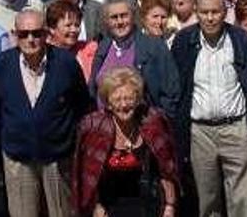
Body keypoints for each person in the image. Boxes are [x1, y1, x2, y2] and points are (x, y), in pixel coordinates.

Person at [169, 0, 247, 217]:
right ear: (196, 12)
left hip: (236, 129)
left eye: (215, 12)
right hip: (200, 133)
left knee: (243, 201)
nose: (210, 18)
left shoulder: (241, 41)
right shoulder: (183, 41)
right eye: (204, 12)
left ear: (225, 12)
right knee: (206, 200)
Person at [0, 9, 91, 217]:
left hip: (58, 156)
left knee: (62, 213)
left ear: (46, 33)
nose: (30, 39)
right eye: (24, 34)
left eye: (36, 33)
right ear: (14, 34)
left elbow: (82, 106)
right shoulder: (2, 64)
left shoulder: (65, 63)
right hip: (18, 157)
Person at [73, 67, 179, 217]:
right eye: (117, 99)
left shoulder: (153, 121)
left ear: (137, 100)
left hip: (148, 205)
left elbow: (166, 170)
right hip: (110, 207)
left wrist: (169, 206)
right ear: (108, 103)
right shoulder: (95, 128)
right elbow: (89, 176)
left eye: (129, 98)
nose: (124, 105)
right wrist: (96, 206)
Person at [90, 0, 180, 113]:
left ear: (133, 16)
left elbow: (171, 92)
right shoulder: (103, 46)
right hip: (104, 126)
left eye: (124, 16)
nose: (120, 21)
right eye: (114, 17)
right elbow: (94, 86)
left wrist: (160, 122)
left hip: (141, 126)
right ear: (106, 21)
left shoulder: (154, 47)